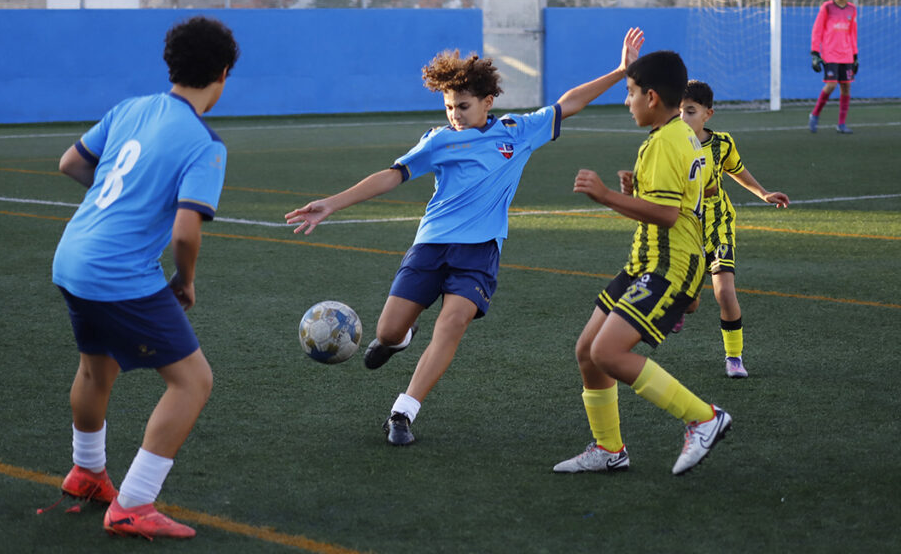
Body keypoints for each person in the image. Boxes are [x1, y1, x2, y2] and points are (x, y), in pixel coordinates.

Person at [286, 28, 646, 447]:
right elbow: (392, 175)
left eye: (462, 106)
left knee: (452, 323)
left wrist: (621, 71)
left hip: (479, 252)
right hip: (431, 245)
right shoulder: (438, 140)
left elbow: (569, 103)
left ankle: (403, 411)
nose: (454, 114)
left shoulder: (517, 130)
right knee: (386, 332)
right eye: (448, 106)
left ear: (487, 102)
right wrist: (333, 202)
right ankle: (400, 339)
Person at [50, 16, 238, 540]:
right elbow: (184, 230)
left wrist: (119, 194)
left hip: (72, 259)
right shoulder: (205, 143)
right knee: (193, 381)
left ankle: (87, 473)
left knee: (96, 369)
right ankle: (133, 503)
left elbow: (71, 163)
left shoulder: (130, 108)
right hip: (116, 273)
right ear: (223, 75)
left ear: (171, 65)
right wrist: (185, 279)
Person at [553, 50, 731, 477]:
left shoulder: (666, 141)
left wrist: (606, 196)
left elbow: (670, 216)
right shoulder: (680, 135)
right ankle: (609, 449)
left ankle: (703, 417)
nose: (626, 102)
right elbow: (695, 194)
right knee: (587, 353)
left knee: (607, 352)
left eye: (630, 93)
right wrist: (637, 191)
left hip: (668, 263)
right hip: (646, 260)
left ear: (651, 97)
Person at [675, 80, 790, 378]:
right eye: (679, 111)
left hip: (719, 223)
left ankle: (734, 358)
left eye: (690, 111)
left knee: (724, 292)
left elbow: (737, 170)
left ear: (707, 114)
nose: (683, 117)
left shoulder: (722, 143)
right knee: (689, 305)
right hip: (686, 228)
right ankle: (680, 305)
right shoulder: (670, 144)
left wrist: (764, 193)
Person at [809, 0, 858, 134]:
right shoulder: (827, 7)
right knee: (831, 85)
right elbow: (817, 29)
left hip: (847, 54)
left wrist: (855, 55)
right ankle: (815, 114)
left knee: (846, 87)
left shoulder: (852, 9)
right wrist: (815, 52)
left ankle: (841, 124)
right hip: (830, 53)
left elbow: (852, 33)